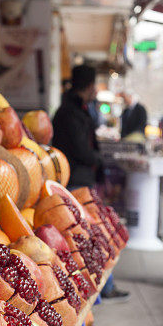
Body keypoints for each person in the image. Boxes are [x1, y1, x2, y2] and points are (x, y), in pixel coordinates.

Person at [51, 65, 128, 302]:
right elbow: (81, 149)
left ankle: (99, 288)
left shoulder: (74, 109)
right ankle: (99, 289)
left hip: (77, 179)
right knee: (88, 238)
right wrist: (98, 158)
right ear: (89, 86)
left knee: (89, 237)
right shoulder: (71, 113)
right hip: (76, 182)